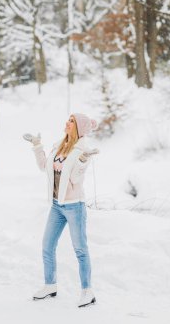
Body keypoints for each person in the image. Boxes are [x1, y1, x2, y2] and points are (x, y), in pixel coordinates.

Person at [23, 113, 99, 308]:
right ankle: (50, 285)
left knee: (80, 249)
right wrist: (37, 145)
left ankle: (87, 291)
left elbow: (75, 179)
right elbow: (43, 167)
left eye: (72, 121)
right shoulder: (59, 146)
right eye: (68, 119)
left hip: (75, 207)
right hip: (57, 206)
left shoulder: (81, 150)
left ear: (79, 128)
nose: (67, 122)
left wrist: (82, 162)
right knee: (47, 246)